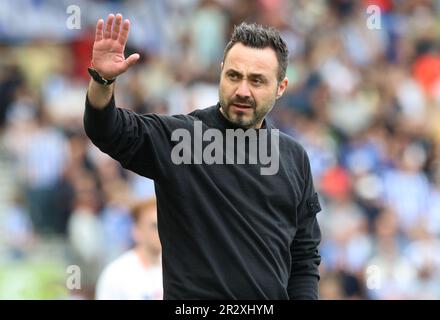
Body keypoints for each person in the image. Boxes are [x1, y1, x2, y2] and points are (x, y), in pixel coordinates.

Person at [84, 13, 322, 299]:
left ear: (280, 87)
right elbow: (106, 129)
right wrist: (102, 80)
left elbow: (305, 257)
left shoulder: (294, 157)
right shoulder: (181, 139)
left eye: (257, 81)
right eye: (234, 76)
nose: (242, 90)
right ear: (221, 72)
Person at [96, 197, 163, 300]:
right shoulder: (117, 274)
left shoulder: (174, 269)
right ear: (137, 231)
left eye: (163, 226)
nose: (161, 232)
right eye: (154, 226)